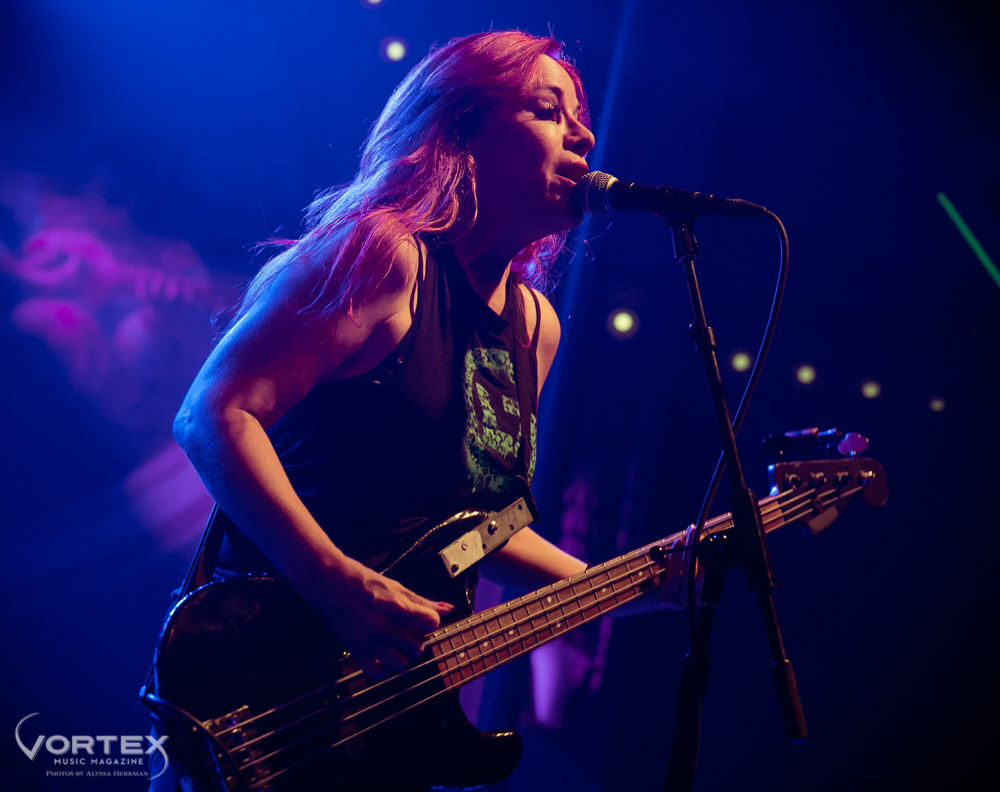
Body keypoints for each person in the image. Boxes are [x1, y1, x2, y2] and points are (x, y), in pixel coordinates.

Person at [153, 29, 694, 790]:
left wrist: (623, 584)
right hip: (264, 685)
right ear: (459, 130)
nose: (585, 135)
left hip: (379, 720)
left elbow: (481, 530)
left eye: (580, 117)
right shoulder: (385, 256)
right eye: (549, 110)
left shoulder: (535, 327)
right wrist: (338, 584)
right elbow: (213, 415)